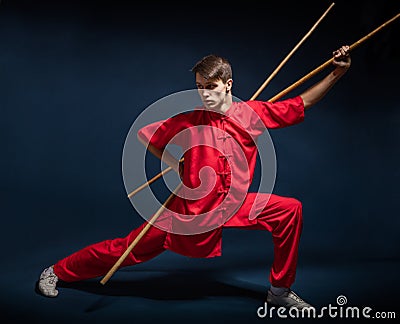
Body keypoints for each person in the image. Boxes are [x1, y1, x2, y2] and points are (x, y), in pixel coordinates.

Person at [37, 46, 351, 309]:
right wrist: (175, 164)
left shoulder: (252, 115)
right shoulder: (189, 119)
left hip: (234, 205)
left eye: (211, 87)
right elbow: (148, 137)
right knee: (126, 249)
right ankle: (56, 272)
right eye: (200, 87)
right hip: (191, 214)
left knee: (289, 209)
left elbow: (303, 103)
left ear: (228, 84)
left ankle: (279, 292)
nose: (205, 94)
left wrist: (337, 72)